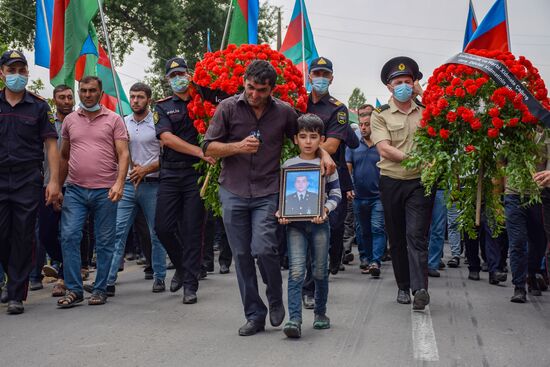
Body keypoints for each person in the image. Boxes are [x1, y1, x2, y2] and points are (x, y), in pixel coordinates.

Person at [203, 60, 335, 336]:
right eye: (250, 88)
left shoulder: (284, 112)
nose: (254, 94)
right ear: (244, 82)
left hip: (268, 191)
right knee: (241, 255)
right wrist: (238, 147)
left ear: (271, 89)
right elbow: (209, 147)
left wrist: (324, 153)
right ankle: (254, 313)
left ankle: (275, 298)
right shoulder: (227, 108)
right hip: (233, 190)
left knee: (264, 249)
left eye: (261, 90)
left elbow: (303, 137)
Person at [57, 76, 129, 308]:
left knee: (105, 241)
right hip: (75, 190)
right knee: (69, 237)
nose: (87, 95)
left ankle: (100, 289)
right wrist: (57, 187)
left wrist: (119, 183)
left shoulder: (114, 119)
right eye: (83, 90)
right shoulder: (70, 120)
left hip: (105, 191)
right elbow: (64, 156)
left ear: (100, 92)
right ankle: (75, 289)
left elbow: (124, 154)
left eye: (92, 91)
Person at [0, 50, 61, 314]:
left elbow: (51, 147)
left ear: (27, 73)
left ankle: (16, 293)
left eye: (21, 70)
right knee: (2, 236)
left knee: (23, 235)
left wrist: (54, 182)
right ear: (1, 73)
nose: (16, 75)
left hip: (27, 179)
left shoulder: (39, 106)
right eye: (11, 70)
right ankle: (11, 278)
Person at [371, 56, 434, 310]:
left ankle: (420, 289)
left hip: (420, 183)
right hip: (392, 181)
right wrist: (416, 160)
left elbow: (446, 116)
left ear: (415, 83)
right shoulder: (380, 115)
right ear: (389, 86)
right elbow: (384, 149)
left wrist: (423, 93)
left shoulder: (426, 111)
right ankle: (402, 285)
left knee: (416, 234)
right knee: (396, 237)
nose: (403, 86)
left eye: (408, 81)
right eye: (398, 82)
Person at [154, 57, 214, 304]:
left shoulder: (204, 102)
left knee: (192, 230)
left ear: (188, 74)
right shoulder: (163, 107)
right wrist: (200, 151)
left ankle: (190, 284)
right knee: (163, 227)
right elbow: (166, 138)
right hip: (170, 173)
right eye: (172, 76)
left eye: (181, 73)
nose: (178, 78)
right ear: (168, 81)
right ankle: (180, 265)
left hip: (195, 175)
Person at [277, 114, 341, 338]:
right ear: (295, 139)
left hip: (319, 224)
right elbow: (282, 196)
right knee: (296, 271)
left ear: (321, 139)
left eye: (313, 137)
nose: (308, 141)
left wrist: (326, 209)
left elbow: (336, 193)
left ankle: (321, 313)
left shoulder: (327, 164)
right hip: (294, 226)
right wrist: (281, 212)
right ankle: (294, 318)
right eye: (303, 136)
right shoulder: (288, 166)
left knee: (320, 270)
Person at [105, 82, 167, 296]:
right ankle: (108, 281)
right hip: (129, 185)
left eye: (140, 97)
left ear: (148, 99)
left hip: (153, 184)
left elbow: (167, 155)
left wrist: (147, 168)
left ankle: (159, 276)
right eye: (132, 97)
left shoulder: (158, 122)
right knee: (118, 232)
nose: (135, 101)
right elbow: (117, 154)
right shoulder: (122, 123)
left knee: (156, 233)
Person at [306, 57, 359, 275]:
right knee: (307, 222)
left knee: (335, 224)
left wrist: (303, 142)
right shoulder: (299, 103)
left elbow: (331, 145)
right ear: (309, 76)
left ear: (331, 78)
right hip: (304, 172)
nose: (320, 78)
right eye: (316, 74)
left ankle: (334, 258)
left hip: (332, 174)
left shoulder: (338, 109)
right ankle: (312, 267)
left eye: (324, 75)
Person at [38, 84, 74, 297]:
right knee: (46, 233)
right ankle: (65, 262)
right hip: (48, 185)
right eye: (62, 97)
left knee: (69, 234)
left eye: (70, 97)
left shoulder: (80, 121)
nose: (67, 101)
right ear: (54, 100)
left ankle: (63, 278)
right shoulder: (45, 122)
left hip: (74, 185)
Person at [346, 111, 386, 277]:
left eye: (367, 124)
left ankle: (375, 261)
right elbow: (348, 167)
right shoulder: (353, 145)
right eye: (361, 124)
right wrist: (349, 187)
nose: (363, 127)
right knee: (363, 230)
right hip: (358, 196)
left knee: (377, 228)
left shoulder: (381, 144)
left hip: (379, 196)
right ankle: (366, 259)